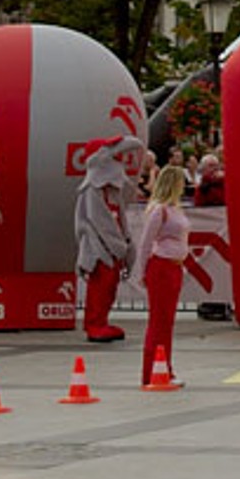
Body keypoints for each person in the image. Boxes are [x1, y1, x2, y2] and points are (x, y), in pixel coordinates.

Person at [74, 135, 141, 342]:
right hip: (100, 248)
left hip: (114, 247)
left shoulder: (111, 190)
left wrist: (126, 242)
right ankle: (94, 324)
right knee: (100, 286)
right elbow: (98, 221)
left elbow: (119, 217)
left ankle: (101, 320)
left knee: (110, 286)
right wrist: (116, 245)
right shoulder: (92, 190)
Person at [132, 163, 192, 387]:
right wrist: (142, 271)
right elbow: (146, 242)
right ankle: (151, 371)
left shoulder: (175, 209)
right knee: (159, 321)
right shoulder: (160, 210)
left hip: (174, 267)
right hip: (161, 267)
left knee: (167, 322)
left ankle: (165, 367)